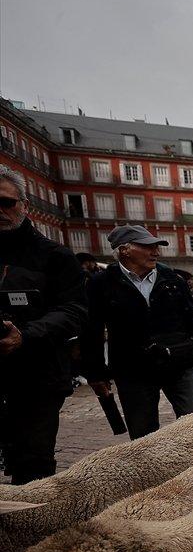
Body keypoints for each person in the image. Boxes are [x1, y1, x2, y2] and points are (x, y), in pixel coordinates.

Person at [82, 225, 193, 439]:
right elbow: (92, 329)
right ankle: (153, 472)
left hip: (179, 361)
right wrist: (95, 371)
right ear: (124, 250)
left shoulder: (171, 278)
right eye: (148, 247)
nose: (156, 252)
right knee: (143, 434)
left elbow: (192, 319)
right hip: (133, 368)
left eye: (156, 247)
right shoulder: (101, 284)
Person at [0, 168, 88, 482]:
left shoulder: (55, 256)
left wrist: (26, 334)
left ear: (23, 205)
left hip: (38, 373)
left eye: (6, 202)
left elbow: (74, 310)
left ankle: (30, 527)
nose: (0, 210)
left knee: (33, 461)